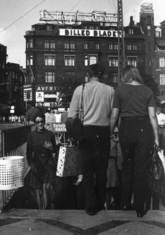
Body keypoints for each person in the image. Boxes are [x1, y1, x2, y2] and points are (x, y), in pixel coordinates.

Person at [110, 65, 159, 218]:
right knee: (141, 169)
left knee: (127, 166)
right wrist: (157, 138)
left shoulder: (120, 90)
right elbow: (153, 117)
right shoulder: (148, 91)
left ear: (126, 76)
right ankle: (139, 207)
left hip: (126, 129)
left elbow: (114, 115)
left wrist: (110, 131)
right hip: (144, 129)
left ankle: (125, 203)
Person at [68, 63, 114, 215]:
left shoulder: (80, 89)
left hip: (85, 132)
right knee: (101, 171)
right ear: (101, 75)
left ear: (88, 74)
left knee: (87, 171)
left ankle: (90, 206)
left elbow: (72, 116)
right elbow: (114, 115)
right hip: (104, 132)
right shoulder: (110, 90)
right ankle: (101, 203)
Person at [26, 112, 57, 209]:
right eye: (37, 122)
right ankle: (41, 211)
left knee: (46, 188)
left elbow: (55, 150)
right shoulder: (31, 136)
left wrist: (51, 148)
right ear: (35, 123)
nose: (40, 124)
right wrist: (31, 164)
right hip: (36, 165)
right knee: (38, 191)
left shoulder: (50, 134)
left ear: (44, 122)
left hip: (48, 164)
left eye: (42, 121)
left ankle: (46, 211)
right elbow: (28, 153)